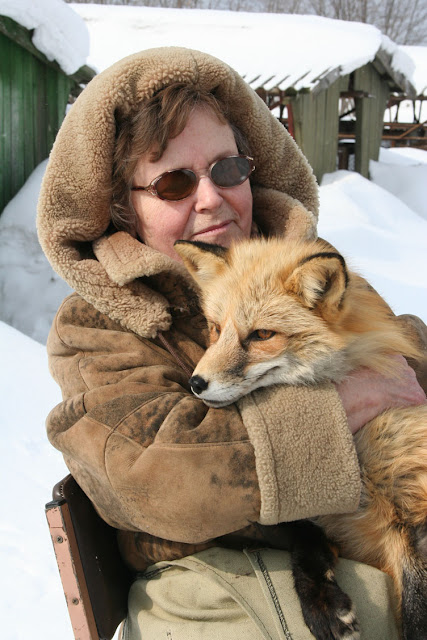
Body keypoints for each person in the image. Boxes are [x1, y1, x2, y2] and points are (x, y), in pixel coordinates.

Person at [37, 47, 426, 639]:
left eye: (227, 170)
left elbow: (396, 351)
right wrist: (339, 408)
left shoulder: (296, 267)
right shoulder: (96, 330)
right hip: (212, 576)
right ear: (122, 207)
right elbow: (154, 473)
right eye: (172, 183)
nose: (212, 198)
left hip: (345, 538)